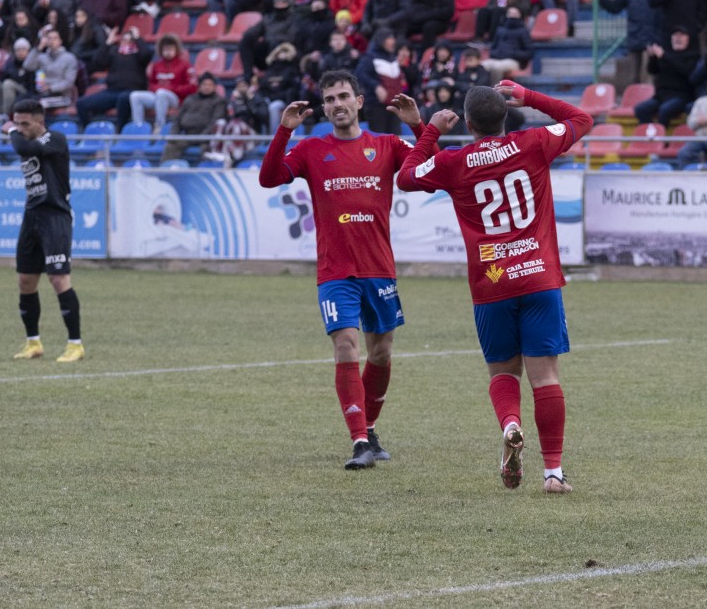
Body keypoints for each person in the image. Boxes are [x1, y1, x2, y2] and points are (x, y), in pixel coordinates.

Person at [396, 79, 592, 493]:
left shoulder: (455, 161)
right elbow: (581, 118)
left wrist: (429, 129)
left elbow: (408, 175)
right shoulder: (534, 142)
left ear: (467, 123)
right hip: (539, 277)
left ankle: (511, 424)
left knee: (503, 371)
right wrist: (532, 97)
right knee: (546, 377)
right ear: (507, 113)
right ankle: (553, 473)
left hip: (492, 283)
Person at [258, 69, 424, 470]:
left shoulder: (386, 144)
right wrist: (284, 132)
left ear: (359, 101)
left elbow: (429, 167)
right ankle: (359, 441)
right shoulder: (312, 150)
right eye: (329, 99)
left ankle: (370, 428)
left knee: (380, 353)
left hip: (379, 268)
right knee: (345, 344)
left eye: (343, 96)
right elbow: (269, 178)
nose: (336, 104)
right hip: (335, 270)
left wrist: (418, 126)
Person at [1, 98, 84, 363]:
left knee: (58, 279)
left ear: (40, 121)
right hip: (32, 215)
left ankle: (75, 345)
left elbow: (23, 148)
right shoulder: (28, 139)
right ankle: (33, 342)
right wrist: (15, 131)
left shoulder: (55, 139)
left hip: (55, 216)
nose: (20, 128)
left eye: (25, 123)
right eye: (17, 123)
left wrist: (12, 132)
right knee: (25, 281)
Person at [76, 24, 153, 128]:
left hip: (132, 91)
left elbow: (146, 54)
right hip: (112, 91)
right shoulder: (114, 52)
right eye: (124, 39)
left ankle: (119, 132)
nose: (126, 42)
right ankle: (90, 131)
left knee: (123, 98)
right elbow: (98, 61)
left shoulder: (139, 54)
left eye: (130, 40)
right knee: (81, 103)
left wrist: (138, 38)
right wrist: (108, 42)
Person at [597, 0, 658, 83]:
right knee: (634, 77)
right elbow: (614, 7)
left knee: (651, 75)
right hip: (635, 35)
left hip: (653, 37)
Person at [128, 34, 196, 132]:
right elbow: (152, 85)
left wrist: (170, 88)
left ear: (176, 49)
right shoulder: (157, 65)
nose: (168, 52)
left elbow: (192, 88)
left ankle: (159, 126)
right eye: (165, 49)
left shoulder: (185, 65)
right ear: (161, 50)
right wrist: (159, 88)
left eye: (171, 49)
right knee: (135, 95)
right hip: (159, 97)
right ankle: (138, 127)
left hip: (176, 99)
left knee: (162, 93)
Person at [635, 27, 699, 127]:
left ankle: (662, 140)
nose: (678, 38)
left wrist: (664, 56)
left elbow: (686, 70)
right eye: (675, 35)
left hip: (681, 96)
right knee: (641, 109)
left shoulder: (692, 55)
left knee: (665, 110)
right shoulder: (665, 53)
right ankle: (650, 134)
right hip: (661, 96)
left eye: (681, 35)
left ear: (688, 38)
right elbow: (652, 70)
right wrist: (652, 57)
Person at [160, 72, 226, 160]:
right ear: (199, 86)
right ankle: (166, 171)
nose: (207, 87)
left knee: (208, 152)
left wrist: (200, 137)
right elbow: (177, 120)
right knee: (171, 146)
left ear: (214, 87)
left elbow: (214, 123)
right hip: (188, 135)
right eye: (204, 84)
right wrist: (174, 135)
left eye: (210, 84)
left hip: (206, 138)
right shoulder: (190, 99)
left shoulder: (219, 101)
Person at [24, 24, 78, 110]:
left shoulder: (69, 58)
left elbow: (69, 82)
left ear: (60, 41)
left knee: (36, 105)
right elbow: (27, 66)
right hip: (42, 94)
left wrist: (51, 88)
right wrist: (39, 48)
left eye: (55, 38)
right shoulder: (42, 57)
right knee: (22, 102)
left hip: (62, 95)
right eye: (49, 38)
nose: (51, 41)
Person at [481, 5, 533, 83]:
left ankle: (494, 91)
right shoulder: (500, 29)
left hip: (514, 61)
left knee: (496, 68)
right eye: (510, 13)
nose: (512, 16)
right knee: (481, 66)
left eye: (515, 14)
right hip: (496, 59)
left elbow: (529, 53)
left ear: (520, 15)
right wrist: (497, 53)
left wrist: (512, 53)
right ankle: (479, 90)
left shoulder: (523, 31)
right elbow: (493, 48)